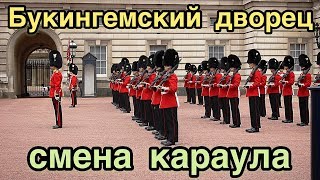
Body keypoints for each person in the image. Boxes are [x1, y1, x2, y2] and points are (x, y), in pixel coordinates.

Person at [159, 49, 179, 146]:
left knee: (171, 122)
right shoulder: (166, 75)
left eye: (166, 66)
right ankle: (169, 137)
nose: (165, 68)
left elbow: (173, 89)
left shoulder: (173, 76)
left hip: (170, 102)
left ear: (170, 66)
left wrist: (164, 88)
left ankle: (172, 139)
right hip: (165, 101)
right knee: (167, 121)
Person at [244, 49, 262, 133]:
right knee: (253, 110)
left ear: (253, 63)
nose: (249, 64)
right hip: (251, 93)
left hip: (254, 92)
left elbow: (257, 83)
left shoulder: (257, 72)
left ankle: (255, 127)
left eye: (250, 63)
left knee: (254, 110)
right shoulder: (253, 71)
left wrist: (250, 85)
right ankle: (255, 125)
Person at [151, 50, 166, 140]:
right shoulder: (158, 75)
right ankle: (159, 130)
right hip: (156, 97)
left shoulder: (165, 75)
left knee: (162, 118)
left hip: (162, 98)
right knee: (158, 116)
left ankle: (162, 131)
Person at [141, 55, 156, 131]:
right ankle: (148, 122)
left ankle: (151, 124)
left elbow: (151, 86)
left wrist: (146, 84)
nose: (146, 68)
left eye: (148, 67)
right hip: (146, 95)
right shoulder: (148, 75)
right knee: (147, 111)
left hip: (149, 96)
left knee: (150, 112)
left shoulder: (153, 75)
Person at [49, 50, 63, 129]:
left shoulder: (57, 74)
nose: (50, 66)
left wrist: (57, 93)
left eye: (51, 65)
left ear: (54, 65)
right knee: (56, 108)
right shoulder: (55, 73)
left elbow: (57, 85)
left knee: (57, 109)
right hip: (54, 92)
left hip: (55, 93)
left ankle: (59, 123)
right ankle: (58, 122)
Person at [226, 54, 241, 128]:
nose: (230, 68)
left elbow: (236, 84)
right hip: (232, 94)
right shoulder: (233, 75)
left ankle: (237, 123)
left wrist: (229, 85)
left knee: (235, 109)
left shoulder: (237, 75)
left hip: (234, 94)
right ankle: (236, 122)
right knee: (233, 109)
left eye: (231, 67)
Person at [296, 54, 312, 126]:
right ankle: (302, 120)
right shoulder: (302, 74)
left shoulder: (308, 75)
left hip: (305, 93)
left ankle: (305, 121)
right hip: (300, 93)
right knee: (301, 108)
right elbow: (299, 81)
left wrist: (302, 84)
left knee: (305, 108)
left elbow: (308, 84)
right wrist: (298, 82)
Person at [281, 56, 295, 124]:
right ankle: (287, 118)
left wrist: (285, 82)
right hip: (285, 91)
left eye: (285, 66)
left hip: (289, 91)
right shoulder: (286, 73)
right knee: (286, 106)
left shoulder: (291, 73)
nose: (284, 67)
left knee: (289, 105)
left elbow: (291, 82)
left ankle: (290, 118)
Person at [217, 57, 230, 124]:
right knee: (223, 107)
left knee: (226, 108)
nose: (221, 70)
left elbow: (227, 84)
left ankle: (227, 120)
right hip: (221, 93)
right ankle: (225, 119)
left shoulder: (227, 76)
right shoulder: (222, 76)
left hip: (225, 94)